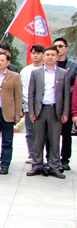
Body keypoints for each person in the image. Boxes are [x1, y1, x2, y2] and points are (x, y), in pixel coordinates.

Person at [28, 45, 70, 179]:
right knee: (38, 140)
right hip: (40, 110)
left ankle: (54, 166)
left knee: (54, 140)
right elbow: (31, 94)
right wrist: (32, 111)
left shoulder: (63, 73)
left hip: (55, 111)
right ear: (44, 57)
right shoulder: (36, 73)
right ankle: (36, 165)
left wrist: (65, 112)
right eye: (48, 55)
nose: (50, 57)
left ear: (57, 57)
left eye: (53, 55)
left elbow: (66, 96)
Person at [54, 37, 77, 171]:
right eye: (56, 46)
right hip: (53, 104)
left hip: (67, 104)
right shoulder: (51, 64)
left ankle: (65, 160)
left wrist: (64, 90)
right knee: (51, 135)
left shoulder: (73, 65)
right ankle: (53, 158)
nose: (58, 48)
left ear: (66, 48)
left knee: (66, 134)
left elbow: (75, 86)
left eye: (61, 46)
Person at [19, 44, 44, 164]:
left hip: (44, 106)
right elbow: (24, 89)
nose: (35, 55)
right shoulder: (25, 71)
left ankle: (42, 154)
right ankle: (32, 153)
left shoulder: (46, 69)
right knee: (30, 131)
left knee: (44, 132)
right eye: (33, 53)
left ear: (42, 55)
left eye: (38, 53)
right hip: (29, 105)